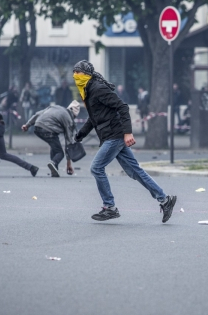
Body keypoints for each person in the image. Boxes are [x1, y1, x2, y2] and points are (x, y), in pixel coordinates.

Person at [72, 60, 177, 223]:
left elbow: (123, 107)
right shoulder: (88, 91)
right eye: (74, 72)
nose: (75, 76)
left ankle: (110, 207)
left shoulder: (98, 89)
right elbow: (93, 119)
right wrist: (80, 135)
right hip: (110, 135)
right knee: (135, 171)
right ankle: (165, 200)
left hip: (114, 135)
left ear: (87, 75)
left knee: (96, 168)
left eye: (78, 72)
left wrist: (128, 132)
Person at [22, 100, 80, 177]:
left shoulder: (55, 107)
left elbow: (37, 114)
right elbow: (68, 141)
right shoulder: (69, 119)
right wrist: (68, 163)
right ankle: (53, 163)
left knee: (54, 146)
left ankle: (54, 170)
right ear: (74, 115)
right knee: (60, 153)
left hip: (37, 127)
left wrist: (27, 125)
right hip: (48, 131)